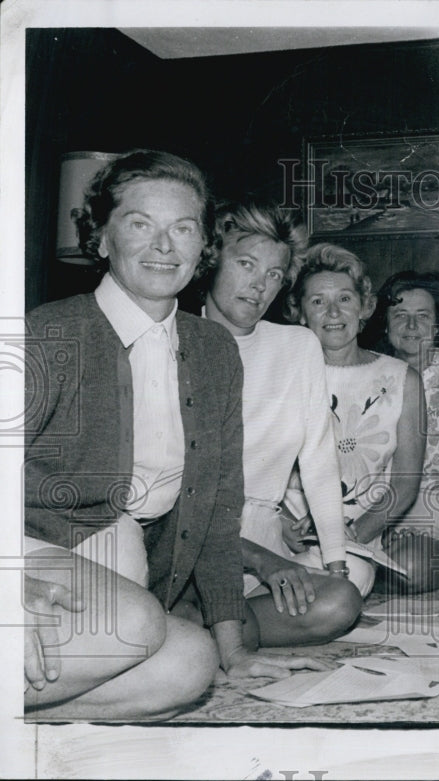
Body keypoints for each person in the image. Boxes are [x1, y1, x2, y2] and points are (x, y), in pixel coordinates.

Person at [23, 150, 319, 721]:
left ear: (203, 246)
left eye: (183, 228)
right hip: (29, 553)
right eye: (140, 224)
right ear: (103, 238)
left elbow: (213, 507)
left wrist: (235, 648)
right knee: (138, 623)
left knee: (191, 661)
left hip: (122, 574)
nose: (164, 246)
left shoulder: (212, 351)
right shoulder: (50, 331)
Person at [202, 201, 362, 644]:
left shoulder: (297, 345)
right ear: (212, 260)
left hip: (264, 533)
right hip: (195, 545)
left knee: (343, 601)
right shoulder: (176, 338)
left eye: (274, 274)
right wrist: (260, 561)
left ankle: (216, 634)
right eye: (246, 264)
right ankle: (211, 633)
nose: (259, 286)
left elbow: (318, 460)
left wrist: (335, 564)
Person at [285, 245, 425, 588]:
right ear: (300, 313)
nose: (333, 311)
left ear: (365, 307)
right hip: (284, 530)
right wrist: (282, 525)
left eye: (345, 299)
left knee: (342, 587)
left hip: (356, 534)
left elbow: (405, 484)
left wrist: (350, 533)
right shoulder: (283, 373)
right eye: (317, 301)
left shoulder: (403, 379)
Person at [362, 270, 439, 591]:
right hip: (378, 512)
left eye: (423, 316)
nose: (411, 326)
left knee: (407, 569)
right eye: (400, 315)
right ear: (385, 322)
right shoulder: (368, 373)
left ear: (438, 323)